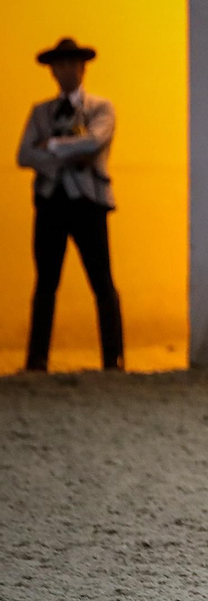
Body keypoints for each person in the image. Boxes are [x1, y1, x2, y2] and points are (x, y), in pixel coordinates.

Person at [16, 37, 123, 372]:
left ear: (82, 68)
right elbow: (23, 154)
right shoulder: (40, 111)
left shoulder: (101, 107)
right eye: (58, 65)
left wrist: (52, 146)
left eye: (70, 64)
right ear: (52, 71)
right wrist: (68, 154)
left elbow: (94, 142)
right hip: (50, 203)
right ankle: (37, 359)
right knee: (46, 281)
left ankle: (113, 358)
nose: (64, 70)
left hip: (88, 202)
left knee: (101, 280)